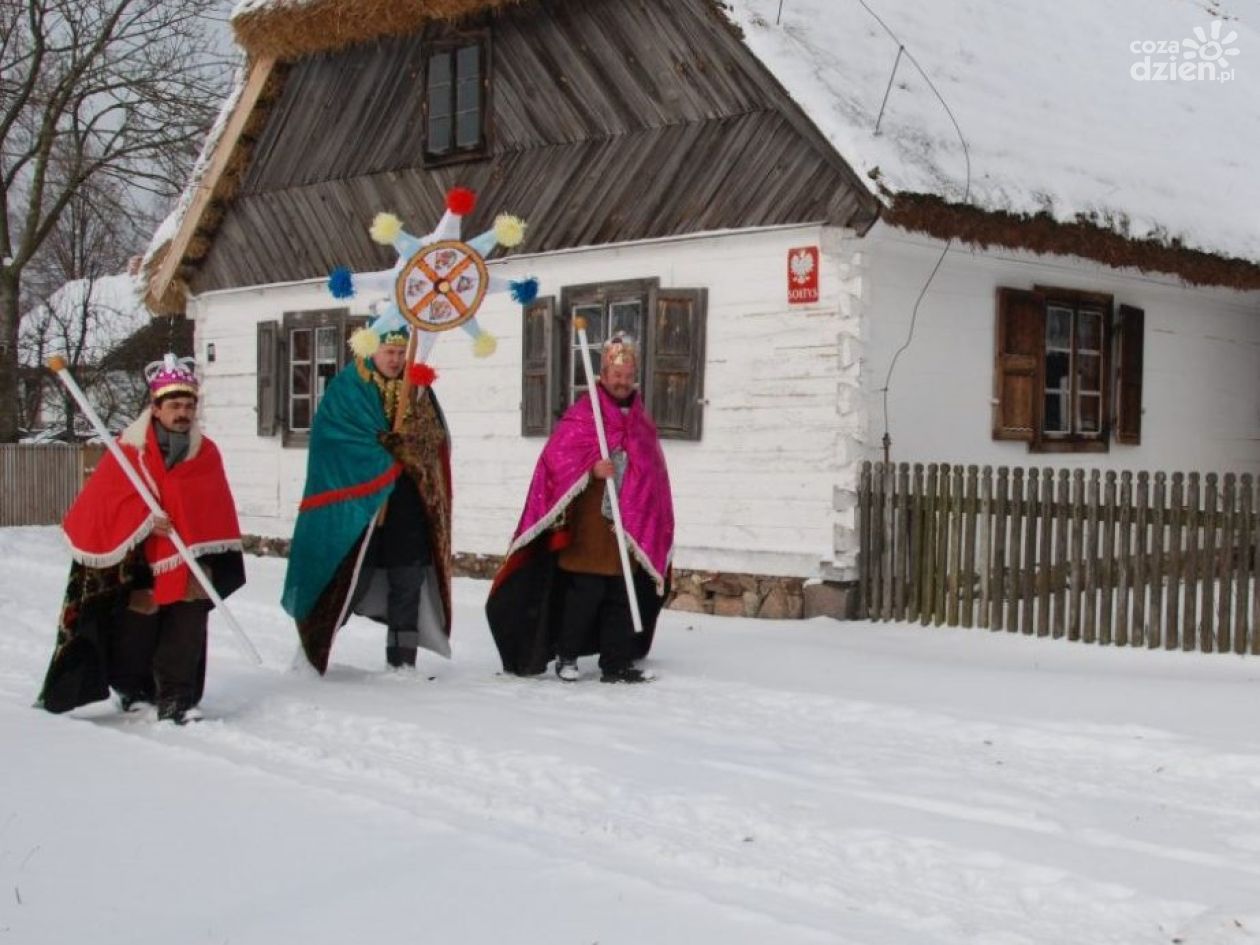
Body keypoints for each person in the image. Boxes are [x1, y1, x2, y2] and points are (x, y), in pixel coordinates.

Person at [38, 355, 246, 723]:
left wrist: (192, 530)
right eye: (175, 405)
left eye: (188, 405)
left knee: (187, 624)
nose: (182, 413)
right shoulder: (128, 450)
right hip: (137, 560)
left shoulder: (206, 452)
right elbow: (103, 505)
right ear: (156, 407)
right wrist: (144, 521)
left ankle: (176, 699)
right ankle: (133, 689)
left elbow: (214, 505)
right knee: (136, 628)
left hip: (190, 557)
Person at [487, 334, 674, 683]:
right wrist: (590, 470)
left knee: (621, 593)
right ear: (602, 374)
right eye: (614, 374)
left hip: (627, 526)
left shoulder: (640, 421)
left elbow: (654, 474)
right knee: (584, 595)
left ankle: (615, 662)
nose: (621, 381)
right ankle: (567, 655)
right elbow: (556, 462)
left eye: (627, 374)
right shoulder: (584, 416)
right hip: (589, 526)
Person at [282, 323, 452, 675]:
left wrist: (411, 447)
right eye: (389, 352)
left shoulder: (418, 388)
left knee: (408, 578)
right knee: (347, 578)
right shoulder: (349, 387)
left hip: (407, 500)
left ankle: (402, 661)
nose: (396, 359)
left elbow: (434, 439)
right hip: (359, 506)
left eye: (402, 352)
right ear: (371, 351)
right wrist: (382, 451)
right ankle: (314, 648)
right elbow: (335, 439)